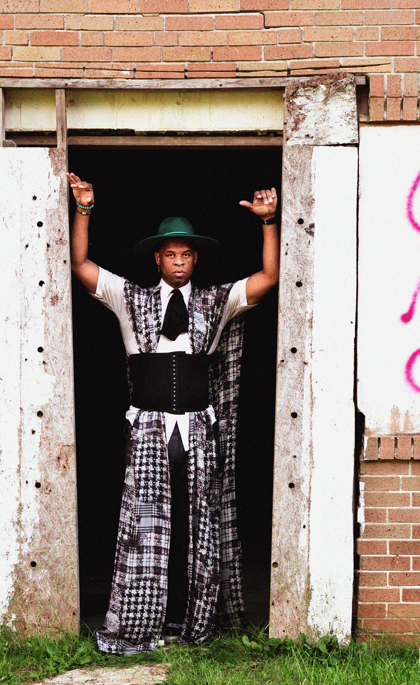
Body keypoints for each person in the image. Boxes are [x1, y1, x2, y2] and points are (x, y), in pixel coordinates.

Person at [68, 172, 279, 654]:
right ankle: (147, 618)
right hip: (147, 429)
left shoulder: (214, 300)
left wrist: (269, 222)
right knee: (146, 524)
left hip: (198, 430)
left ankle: (192, 617)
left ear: (195, 259)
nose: (178, 262)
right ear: (157, 258)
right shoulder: (130, 297)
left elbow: (267, 278)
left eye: (186, 255)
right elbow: (78, 264)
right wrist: (84, 208)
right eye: (170, 255)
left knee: (196, 522)